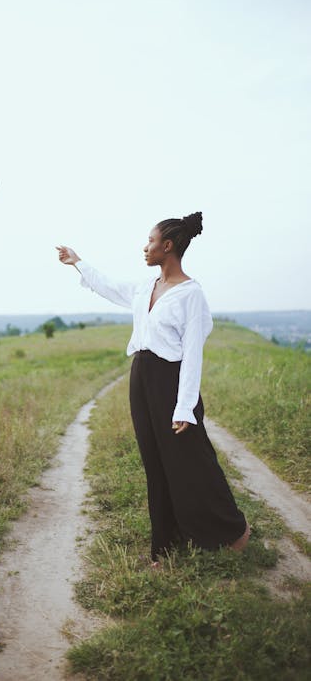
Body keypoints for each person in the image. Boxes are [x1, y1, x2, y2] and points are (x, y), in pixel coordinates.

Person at [56, 211, 250, 568]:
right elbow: (110, 286)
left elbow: (192, 354)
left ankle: (232, 531)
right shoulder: (146, 287)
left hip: (171, 380)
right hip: (141, 377)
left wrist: (185, 407)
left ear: (168, 245)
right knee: (155, 462)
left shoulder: (191, 295)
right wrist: (77, 262)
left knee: (191, 459)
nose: (145, 247)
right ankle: (165, 543)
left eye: (150, 241)